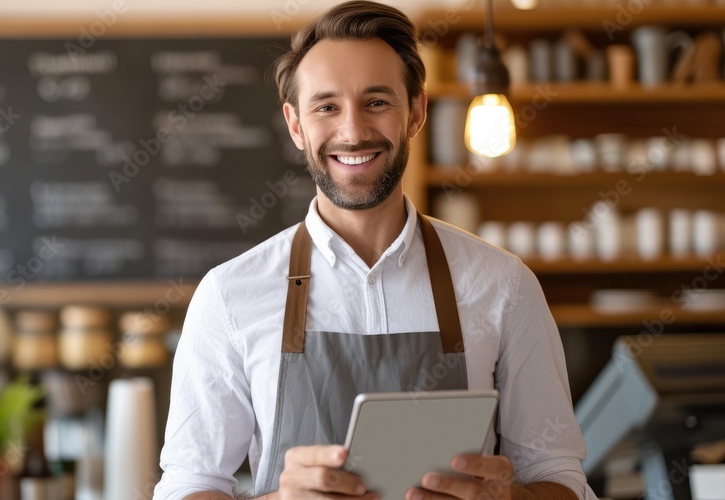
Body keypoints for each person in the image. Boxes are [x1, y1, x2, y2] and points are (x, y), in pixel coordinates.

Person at [154, 2, 598, 499]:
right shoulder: (229, 295)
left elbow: (560, 479)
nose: (352, 131)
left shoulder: (504, 285)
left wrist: (508, 498)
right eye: (326, 106)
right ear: (296, 125)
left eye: (377, 102)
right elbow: (187, 487)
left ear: (417, 111)